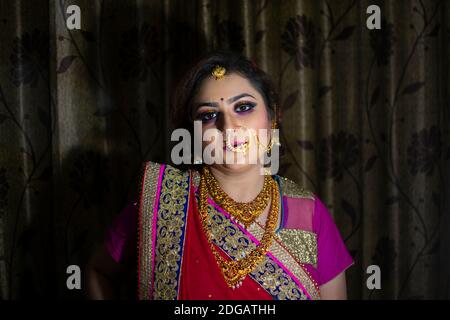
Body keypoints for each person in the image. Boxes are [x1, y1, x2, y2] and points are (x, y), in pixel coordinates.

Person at [85, 50, 354, 300]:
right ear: (192, 134)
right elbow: (98, 272)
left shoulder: (309, 213)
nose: (228, 125)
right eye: (209, 115)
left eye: (244, 107)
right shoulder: (160, 204)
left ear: (273, 116)